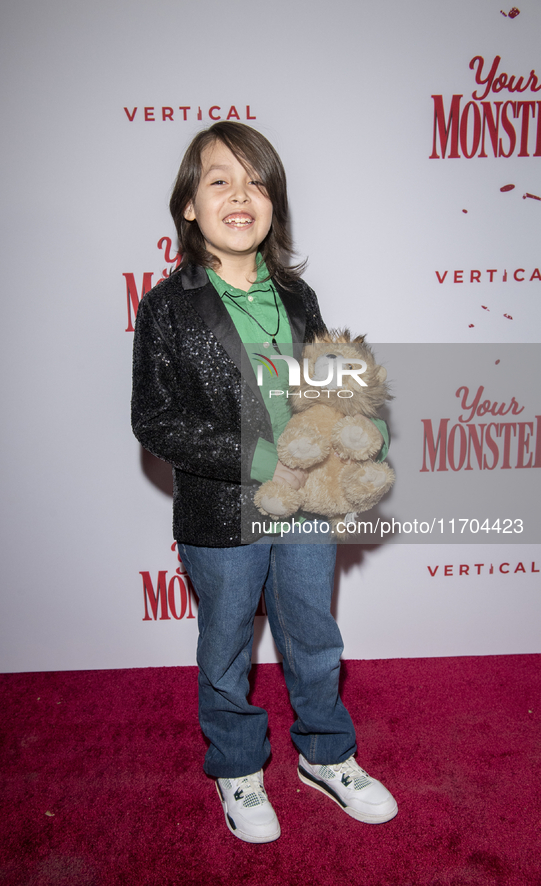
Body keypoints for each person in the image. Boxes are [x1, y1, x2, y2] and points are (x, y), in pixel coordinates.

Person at [131, 121, 397, 843]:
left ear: (274, 203)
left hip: (309, 503)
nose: (240, 195)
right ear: (188, 206)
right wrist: (261, 459)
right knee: (224, 647)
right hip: (220, 514)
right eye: (219, 180)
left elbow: (322, 386)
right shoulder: (165, 307)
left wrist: (353, 417)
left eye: (257, 182)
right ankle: (237, 766)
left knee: (314, 635)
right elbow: (155, 421)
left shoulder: (297, 293)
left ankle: (326, 754)